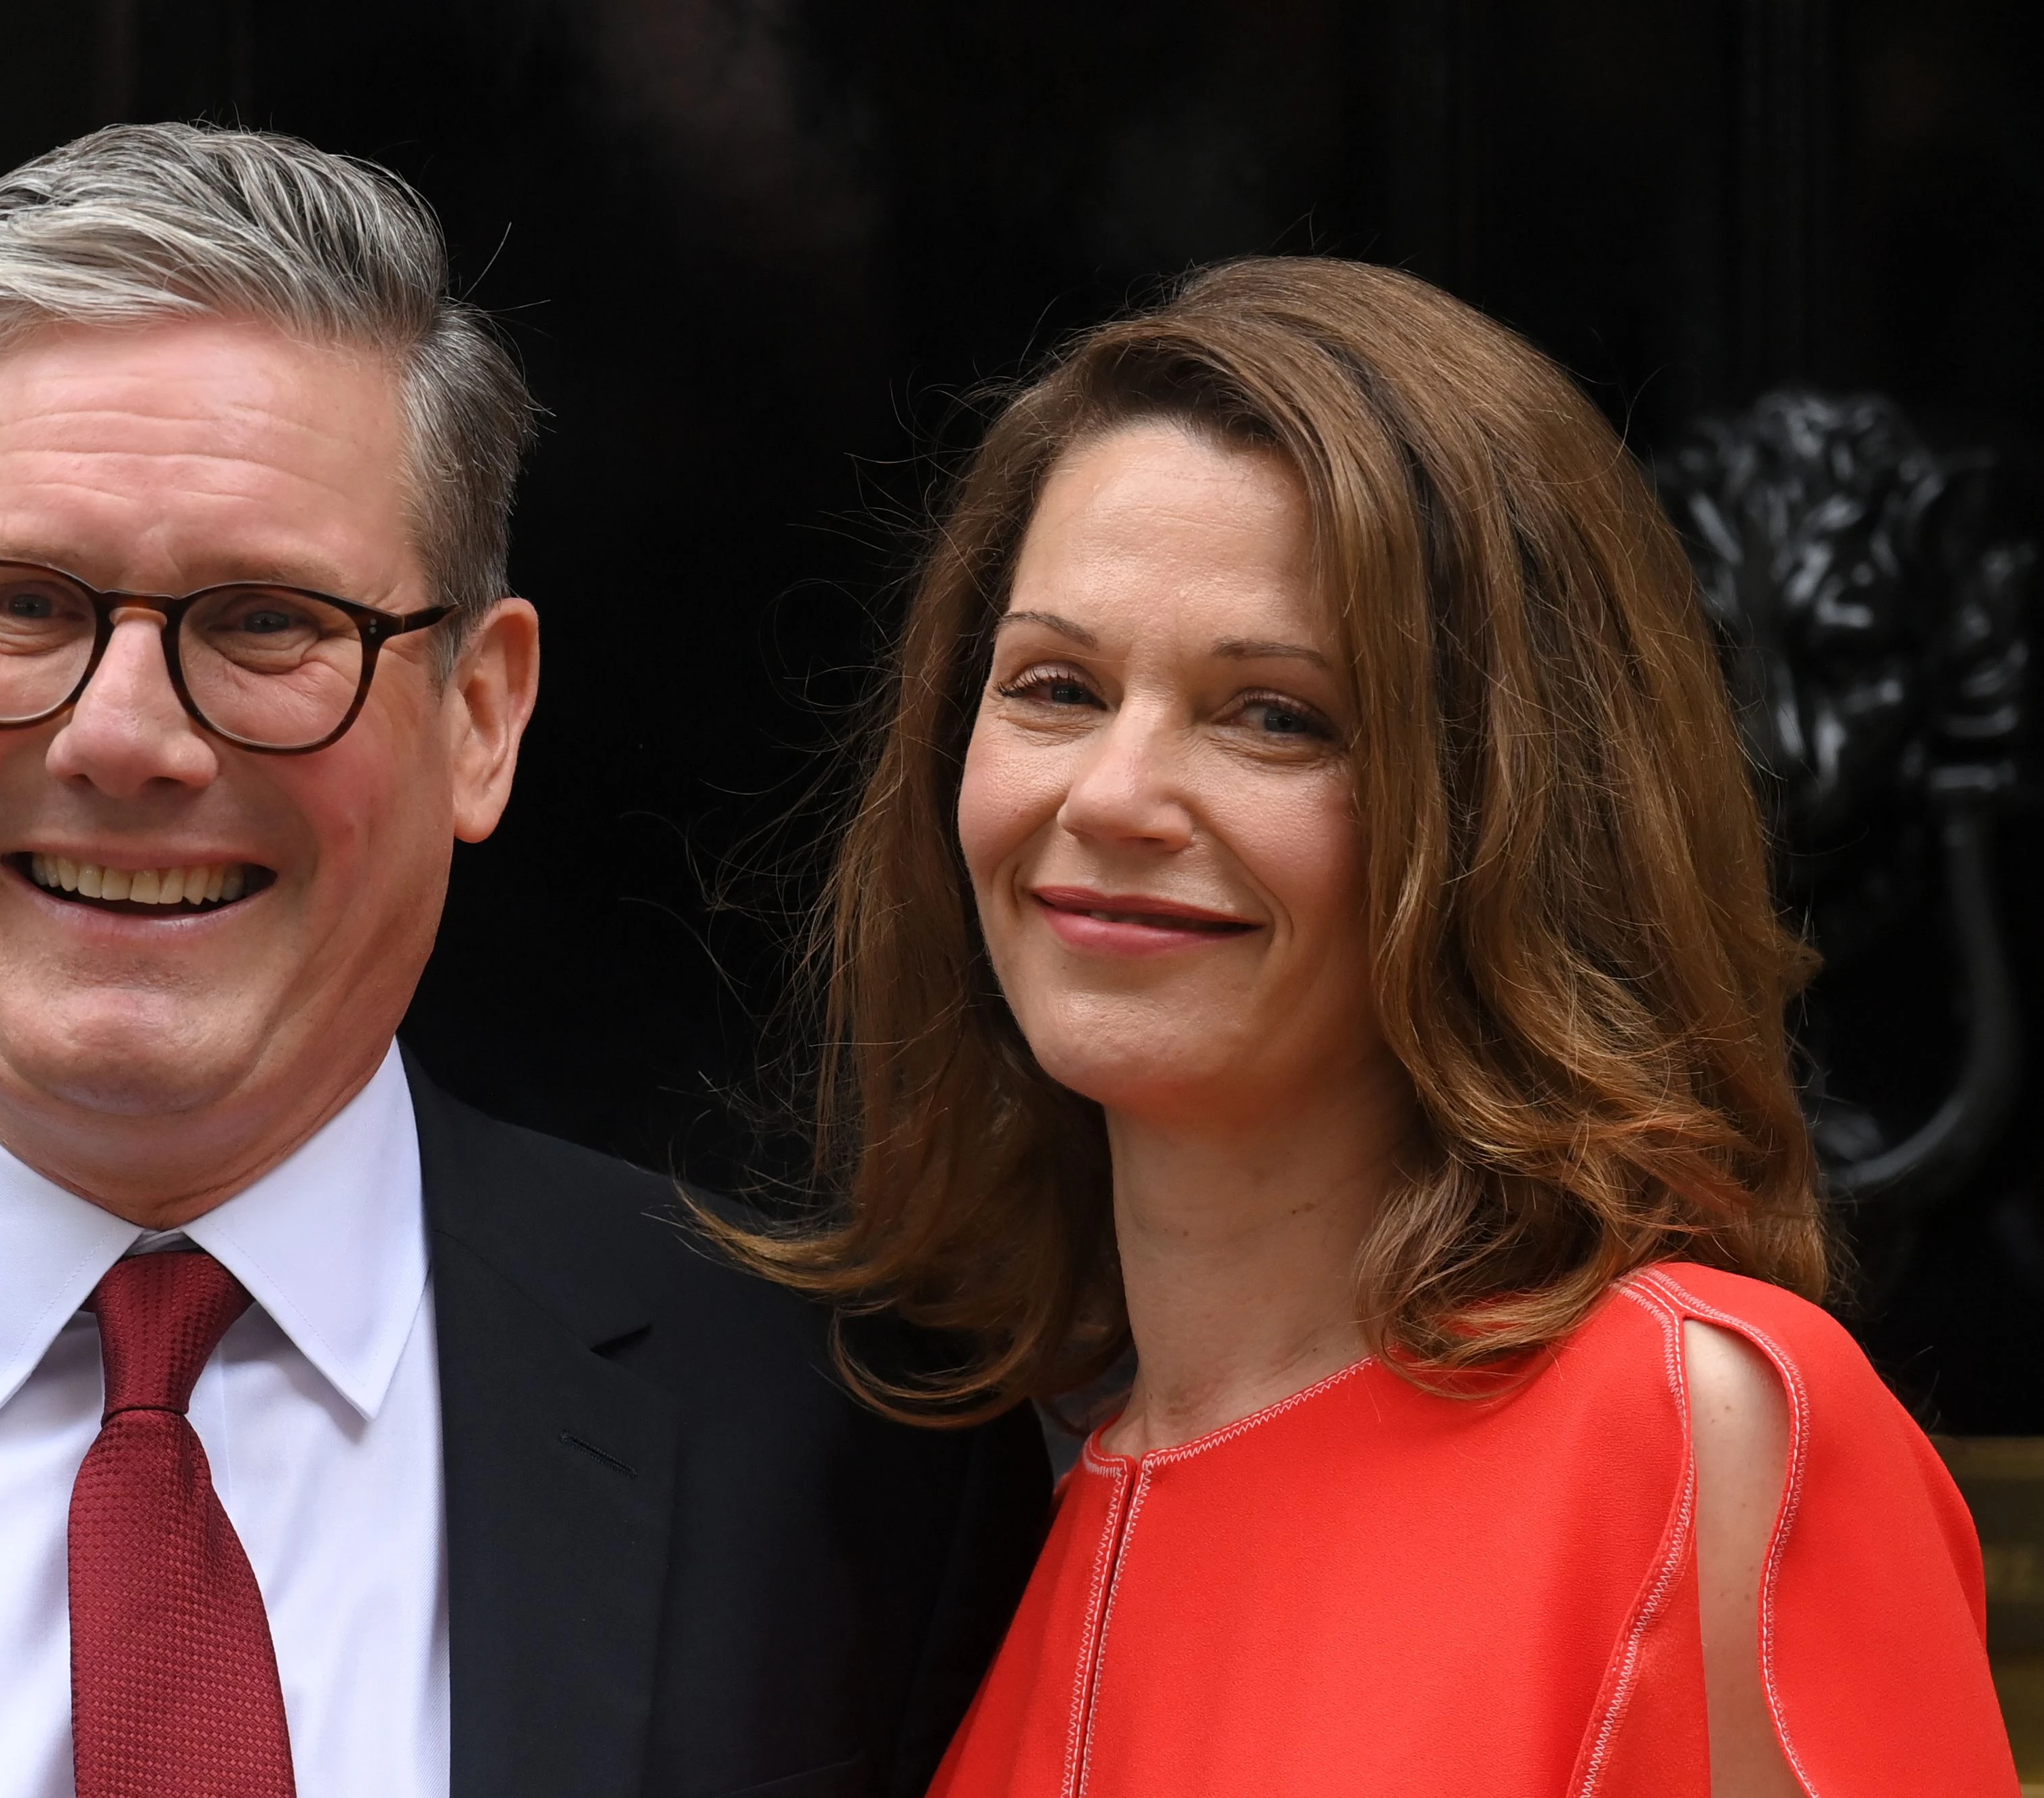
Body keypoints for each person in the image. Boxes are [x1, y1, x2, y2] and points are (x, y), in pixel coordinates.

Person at [0, 125, 1050, 1798]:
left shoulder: (840, 1458)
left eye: (266, 623)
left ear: (482, 711)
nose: (126, 738)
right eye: (17, 604)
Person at [724, 258, 2020, 1795]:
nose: (1113, 795)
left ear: (1505, 806)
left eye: (1274, 713)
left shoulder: (1700, 1431)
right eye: (1056, 686)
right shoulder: (975, 1530)